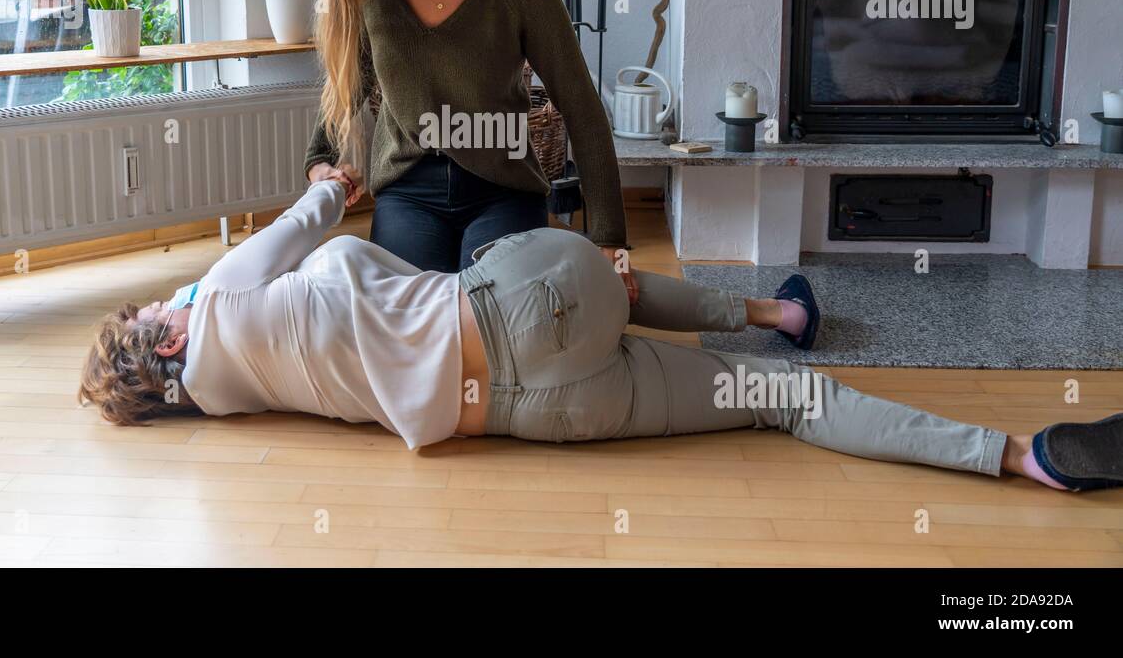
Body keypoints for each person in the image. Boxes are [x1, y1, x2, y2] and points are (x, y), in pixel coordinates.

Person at [79, 180, 1122, 493]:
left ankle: (1017, 458)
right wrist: (325, 187)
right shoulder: (213, 299)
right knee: (599, 271)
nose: (168, 303)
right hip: (527, 305)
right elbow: (301, 224)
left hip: (530, 416)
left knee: (781, 406)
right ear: (165, 343)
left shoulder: (220, 395)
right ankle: (775, 313)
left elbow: (192, 356)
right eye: (153, 317)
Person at [303, 0, 638, 301]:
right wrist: (319, 161)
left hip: (502, 187)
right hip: (409, 192)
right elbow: (344, 86)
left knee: (490, 317)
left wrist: (610, 243)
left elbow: (582, 108)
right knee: (405, 317)